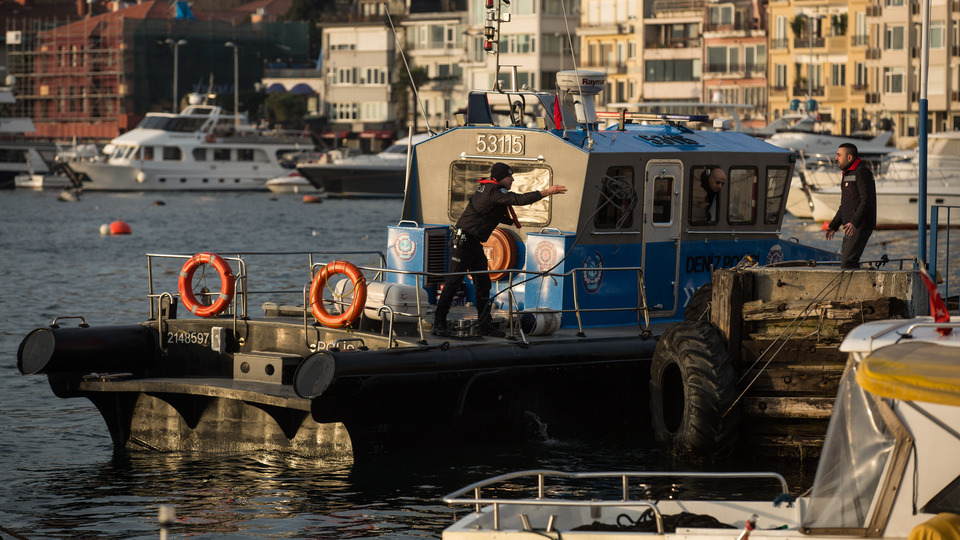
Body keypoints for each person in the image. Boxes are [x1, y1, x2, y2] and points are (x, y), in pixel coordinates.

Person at [433, 162, 567, 338]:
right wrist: (546, 192)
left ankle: (484, 324)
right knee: (453, 283)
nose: (512, 179)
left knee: (483, 284)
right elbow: (518, 200)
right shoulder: (494, 192)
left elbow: (489, 212)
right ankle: (438, 323)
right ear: (500, 178)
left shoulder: (489, 190)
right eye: (509, 176)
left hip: (473, 244)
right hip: (462, 243)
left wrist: (511, 221)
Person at [824, 142, 877, 269]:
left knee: (848, 261)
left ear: (849, 158)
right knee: (846, 261)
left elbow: (867, 200)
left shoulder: (862, 172)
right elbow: (845, 205)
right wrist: (833, 226)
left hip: (859, 225)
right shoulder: (847, 174)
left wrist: (854, 222)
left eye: (839, 155)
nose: (836, 158)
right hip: (850, 226)